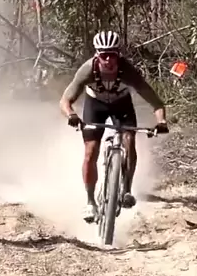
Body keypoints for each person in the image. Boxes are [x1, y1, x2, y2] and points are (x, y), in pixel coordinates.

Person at [60, 30, 169, 221]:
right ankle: (90, 202)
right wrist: (72, 115)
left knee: (129, 140)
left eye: (112, 55)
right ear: (97, 55)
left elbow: (156, 103)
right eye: (104, 55)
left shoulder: (128, 71)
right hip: (95, 105)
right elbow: (65, 101)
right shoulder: (87, 70)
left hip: (122, 105)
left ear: (119, 54)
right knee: (90, 151)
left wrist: (161, 121)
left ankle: (126, 190)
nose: (109, 60)